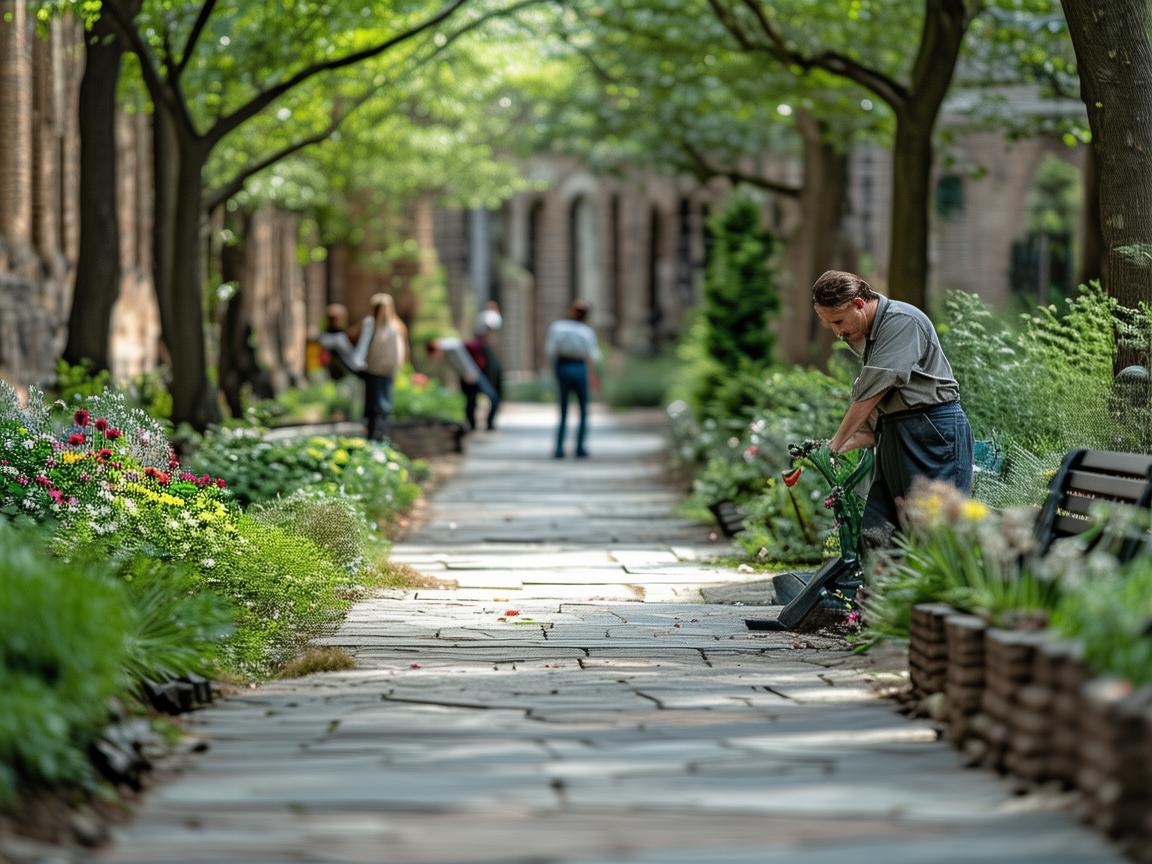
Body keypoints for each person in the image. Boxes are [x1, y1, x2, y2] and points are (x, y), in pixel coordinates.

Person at [812, 270, 974, 548]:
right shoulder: (868, 332)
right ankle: (878, 591)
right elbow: (882, 407)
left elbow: (870, 393)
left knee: (936, 532)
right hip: (898, 430)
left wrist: (835, 445)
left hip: (932, 431)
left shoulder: (901, 321)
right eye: (830, 325)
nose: (838, 332)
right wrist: (835, 445)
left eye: (838, 321)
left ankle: (940, 592)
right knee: (882, 529)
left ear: (859, 304)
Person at [545, 299, 601, 459]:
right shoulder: (587, 332)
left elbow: (551, 350)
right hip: (579, 367)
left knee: (563, 409)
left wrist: (552, 370)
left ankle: (559, 448)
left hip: (563, 366)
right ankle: (580, 447)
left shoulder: (558, 327)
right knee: (583, 410)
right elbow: (593, 356)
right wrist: (594, 376)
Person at [358, 293, 408, 441]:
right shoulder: (396, 326)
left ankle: (376, 437)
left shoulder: (372, 324)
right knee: (383, 405)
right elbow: (401, 352)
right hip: (385, 371)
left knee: (374, 406)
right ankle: (381, 436)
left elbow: (362, 347)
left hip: (374, 370)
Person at [426, 336, 500, 432]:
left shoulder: (449, 347)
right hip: (468, 378)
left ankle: (488, 424)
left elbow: (463, 362)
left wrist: (471, 376)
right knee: (471, 403)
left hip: (473, 376)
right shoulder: (447, 351)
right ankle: (474, 426)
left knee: (492, 398)